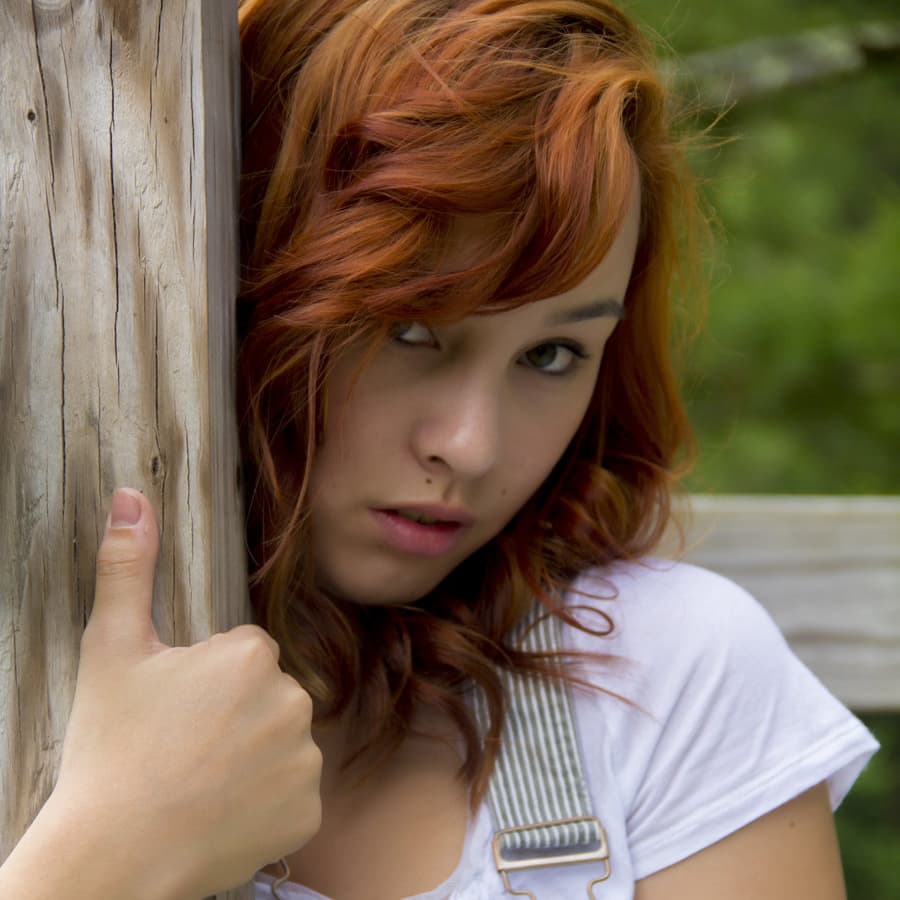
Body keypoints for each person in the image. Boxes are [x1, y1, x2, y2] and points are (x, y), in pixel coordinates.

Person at [0, 1, 878, 899]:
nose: (471, 446)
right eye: (409, 329)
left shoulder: (659, 677)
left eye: (552, 354)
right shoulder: (21, 689)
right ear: (244, 277)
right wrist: (109, 856)